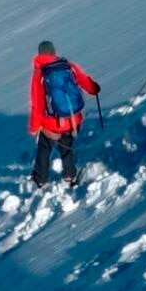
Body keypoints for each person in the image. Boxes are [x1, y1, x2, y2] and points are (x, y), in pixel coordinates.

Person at [27, 41, 101, 190]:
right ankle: (70, 175)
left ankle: (40, 179)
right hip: (73, 118)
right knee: (67, 146)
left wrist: (34, 127)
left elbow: (37, 105)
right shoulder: (68, 66)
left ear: (39, 54)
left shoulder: (39, 75)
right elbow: (85, 81)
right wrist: (94, 88)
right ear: (54, 52)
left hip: (52, 124)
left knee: (44, 149)